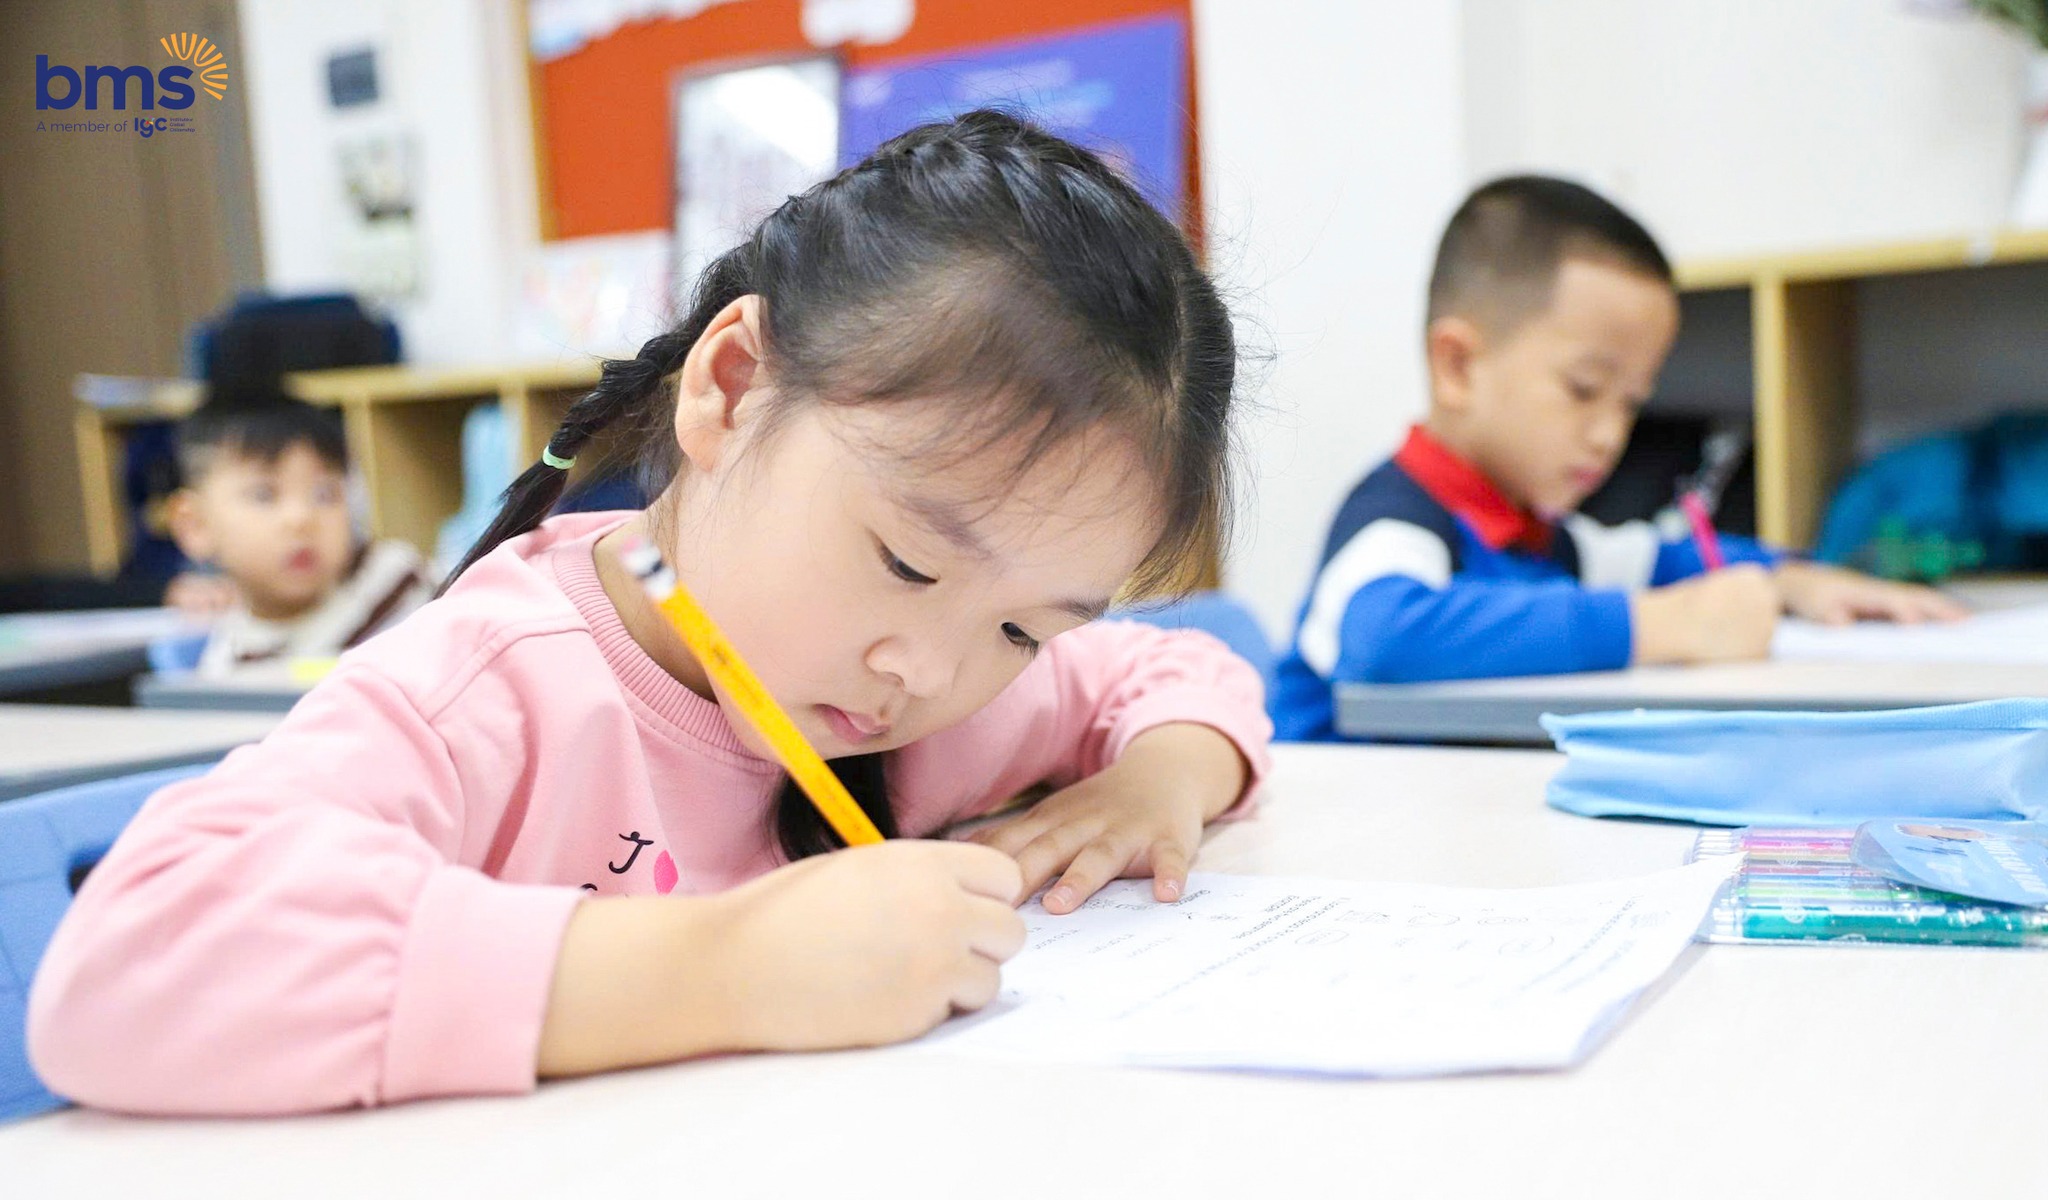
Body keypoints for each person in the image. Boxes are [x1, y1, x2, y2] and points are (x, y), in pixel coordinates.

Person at [29, 111, 1272, 1115]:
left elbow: (1169, 674)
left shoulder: (941, 702)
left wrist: (1156, 780)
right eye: (904, 563)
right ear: (730, 389)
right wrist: (724, 969)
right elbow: (129, 967)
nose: (929, 674)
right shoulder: (497, 691)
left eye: (1022, 631)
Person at [1271, 176, 1960, 740]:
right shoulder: (1397, 517)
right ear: (1457, 366)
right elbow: (1383, 636)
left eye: (1630, 403)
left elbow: (1666, 559)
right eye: (1584, 388)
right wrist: (1663, 625)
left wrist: (1789, 579)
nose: (1610, 435)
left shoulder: (1542, 537)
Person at [165, 393, 434, 676]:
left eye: (325, 493)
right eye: (264, 495)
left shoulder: (400, 584)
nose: (301, 519)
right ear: (195, 525)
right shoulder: (229, 671)